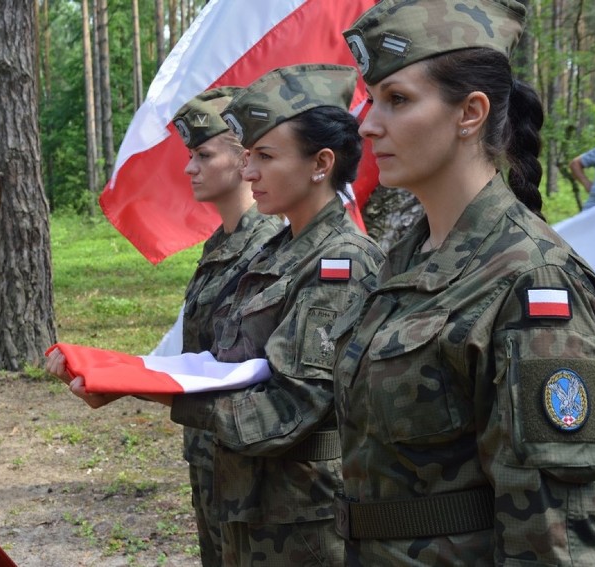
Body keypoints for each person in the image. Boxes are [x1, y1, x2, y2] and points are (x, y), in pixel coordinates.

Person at [57, 63, 384, 565]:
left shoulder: (342, 263)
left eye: (265, 157)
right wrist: (122, 374)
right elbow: (222, 364)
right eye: (249, 157)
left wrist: (141, 386)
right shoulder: (276, 250)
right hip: (250, 503)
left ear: (321, 164)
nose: (250, 173)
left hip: (303, 521)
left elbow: (285, 410)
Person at [332, 1, 595, 565]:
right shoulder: (409, 256)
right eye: (371, 100)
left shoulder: (532, 280)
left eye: (397, 100)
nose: (367, 123)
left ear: (470, 113)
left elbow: (555, 534)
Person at [170, 86, 282, 566]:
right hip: (212, 458)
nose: (189, 167)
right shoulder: (222, 242)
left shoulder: (274, 243)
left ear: (243, 158)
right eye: (190, 155)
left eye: (203, 154)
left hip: (259, 471)